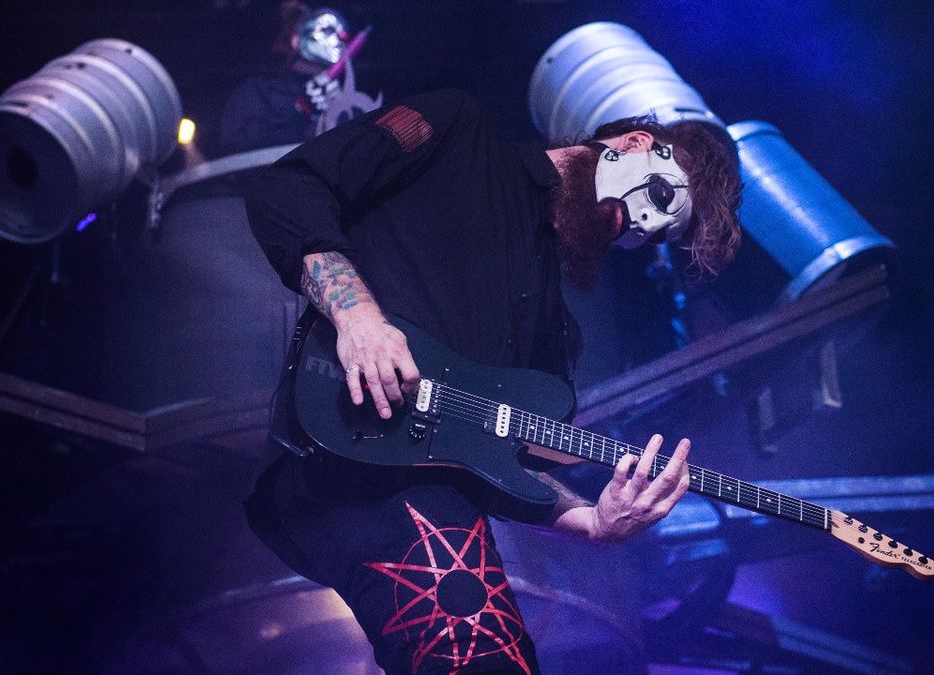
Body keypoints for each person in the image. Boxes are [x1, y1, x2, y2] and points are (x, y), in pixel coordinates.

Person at [243, 89, 742, 674]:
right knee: (477, 644)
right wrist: (358, 317)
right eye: (660, 197)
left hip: (426, 496)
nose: (637, 226)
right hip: (341, 456)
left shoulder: (555, 335)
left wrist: (593, 522)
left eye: (658, 234)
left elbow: (504, 474)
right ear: (634, 144)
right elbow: (289, 187)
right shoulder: (457, 127)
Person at [219, 2, 381, 155]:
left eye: (342, 34)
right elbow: (235, 147)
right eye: (327, 30)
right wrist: (298, 112)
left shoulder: (352, 105)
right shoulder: (259, 93)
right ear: (297, 41)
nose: (340, 38)